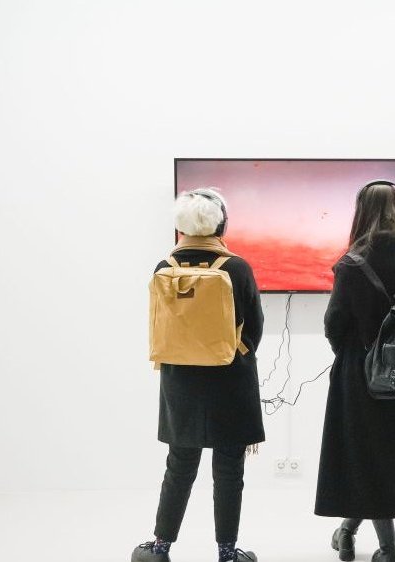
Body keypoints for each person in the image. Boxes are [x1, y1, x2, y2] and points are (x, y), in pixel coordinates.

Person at [132, 188, 264, 562]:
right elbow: (254, 328)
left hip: (180, 385)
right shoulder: (236, 268)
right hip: (230, 381)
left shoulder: (164, 269)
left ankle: (159, 548)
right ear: (221, 221)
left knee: (179, 466)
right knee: (228, 470)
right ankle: (226, 553)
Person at [314, 180, 395, 562]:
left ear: (361, 210)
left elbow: (334, 324)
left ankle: (383, 547)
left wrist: (354, 354)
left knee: (362, 457)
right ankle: (347, 533)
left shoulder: (351, 264)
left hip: (359, 375)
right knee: (391, 456)